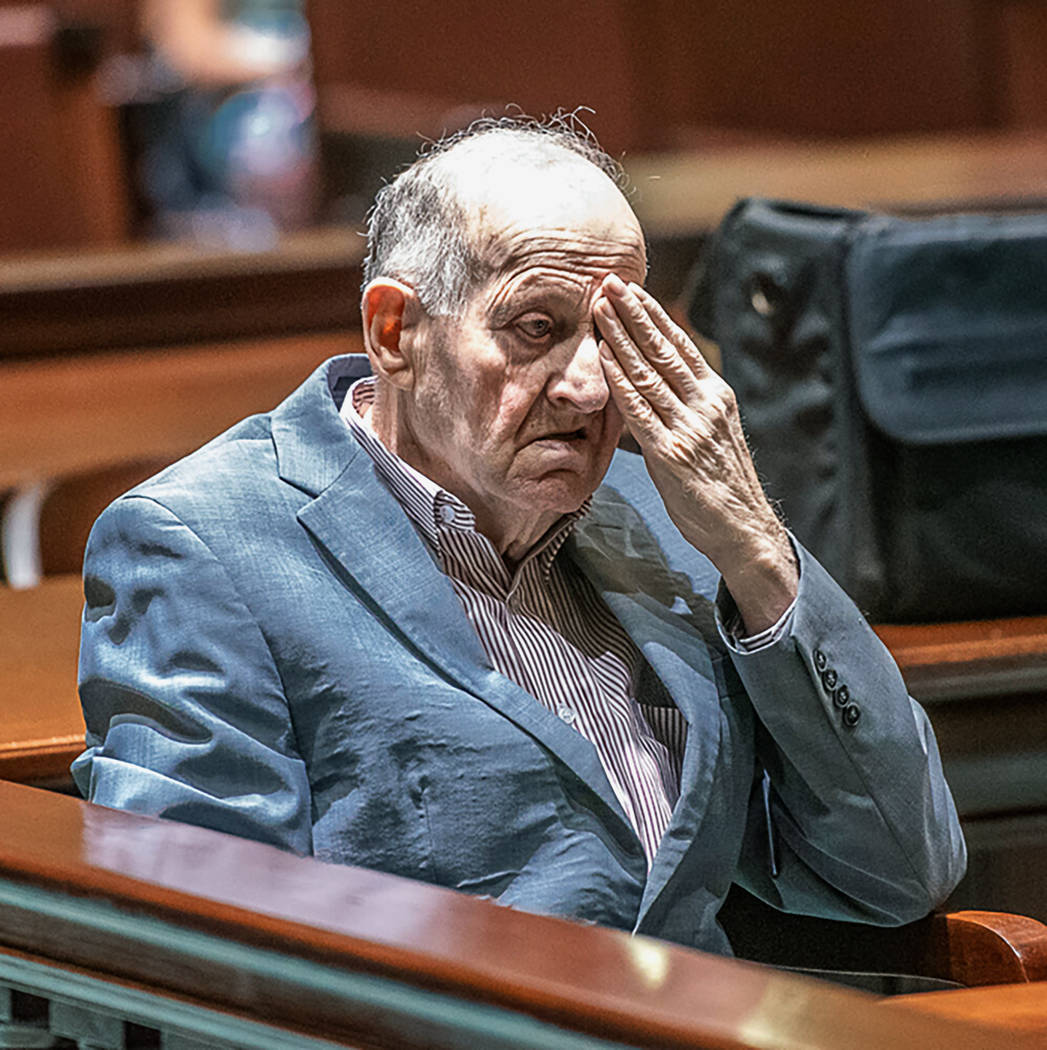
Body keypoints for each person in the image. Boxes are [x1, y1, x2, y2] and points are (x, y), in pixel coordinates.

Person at [75, 116, 966, 956]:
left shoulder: (667, 515)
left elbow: (899, 871)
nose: (588, 387)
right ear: (396, 330)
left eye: (615, 332)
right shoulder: (198, 545)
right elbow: (204, 953)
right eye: (535, 328)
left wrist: (756, 552)